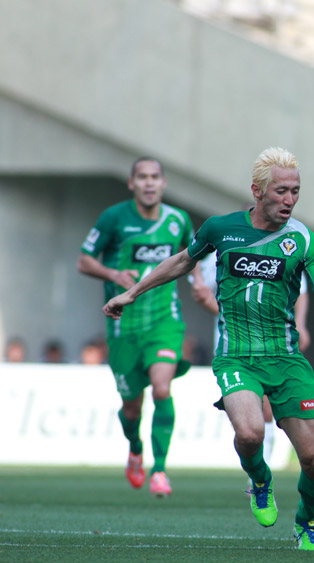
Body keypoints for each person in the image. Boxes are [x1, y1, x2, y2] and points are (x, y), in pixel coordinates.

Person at [103, 147, 314, 551]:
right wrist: (133, 292)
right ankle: (260, 480)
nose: (289, 200)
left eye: (295, 191)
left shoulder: (302, 239)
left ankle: (306, 522)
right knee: (249, 434)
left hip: (285, 359)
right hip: (236, 356)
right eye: (281, 191)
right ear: (257, 191)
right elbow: (181, 261)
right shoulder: (220, 229)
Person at [78, 157, 194, 498]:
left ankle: (159, 470)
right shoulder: (114, 218)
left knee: (161, 388)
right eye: (141, 177)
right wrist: (114, 275)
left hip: (164, 321)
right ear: (131, 183)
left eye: (154, 177)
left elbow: (192, 255)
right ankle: (135, 448)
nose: (148, 183)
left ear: (164, 183)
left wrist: (200, 283)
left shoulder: (178, 221)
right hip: (123, 325)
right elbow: (83, 259)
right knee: (132, 406)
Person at [190, 252, 312, 487]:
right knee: (248, 421)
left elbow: (301, 291)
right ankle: (258, 469)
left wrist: (302, 325)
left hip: (275, 345)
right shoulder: (220, 248)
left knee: (267, 407)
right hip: (234, 348)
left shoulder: (284, 246)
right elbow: (203, 293)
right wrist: (237, 315)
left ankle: (261, 469)